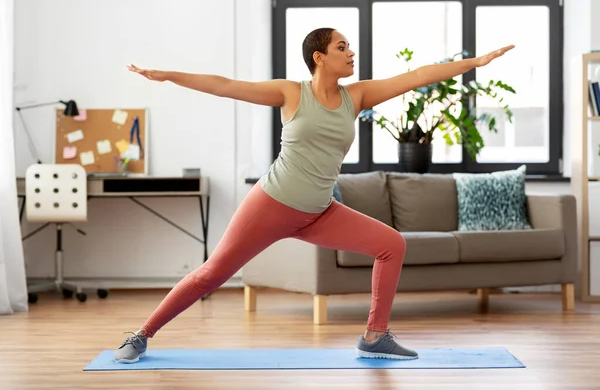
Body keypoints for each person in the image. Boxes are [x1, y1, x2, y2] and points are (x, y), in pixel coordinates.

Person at [114, 28, 513, 363]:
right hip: (271, 204)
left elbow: (419, 76)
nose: (352, 52)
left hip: (320, 211)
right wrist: (168, 76)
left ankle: (375, 337)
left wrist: (473, 64)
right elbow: (225, 86)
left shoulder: (355, 97)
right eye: (342, 47)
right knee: (211, 275)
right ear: (319, 57)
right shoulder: (291, 93)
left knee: (391, 244)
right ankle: (142, 335)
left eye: (350, 47)